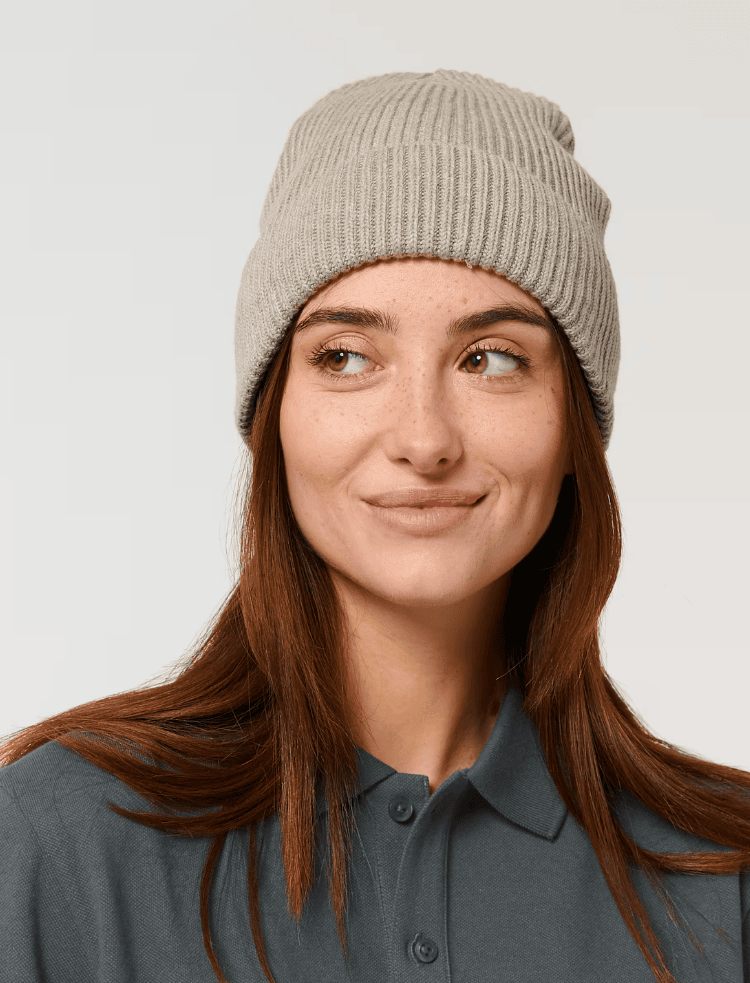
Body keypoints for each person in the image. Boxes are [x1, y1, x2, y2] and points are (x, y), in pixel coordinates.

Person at [1, 69, 749, 983]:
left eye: (491, 358)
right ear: (276, 415)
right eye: (348, 356)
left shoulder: (726, 880)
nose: (424, 439)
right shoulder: (54, 848)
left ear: (573, 429)